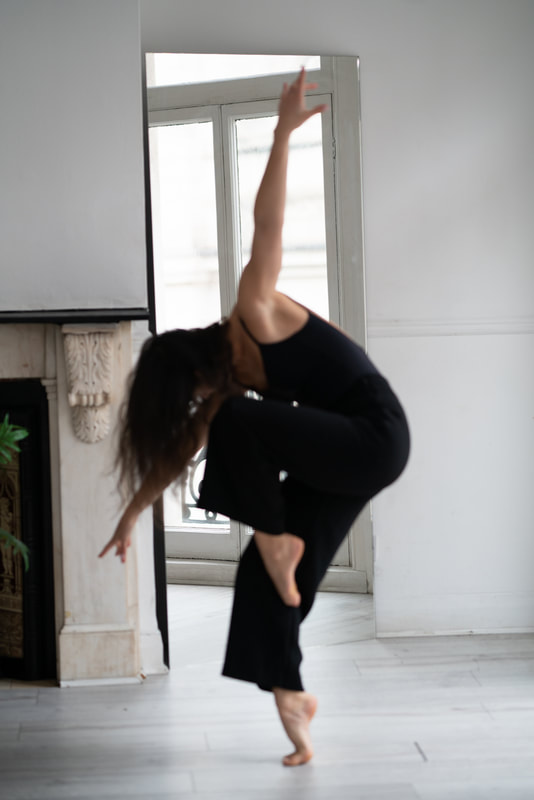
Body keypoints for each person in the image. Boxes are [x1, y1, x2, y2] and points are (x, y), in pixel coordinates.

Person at [99, 68, 410, 767]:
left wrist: (280, 133)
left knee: (241, 439)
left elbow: (266, 222)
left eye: (194, 395)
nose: (199, 406)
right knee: (260, 578)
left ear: (199, 367)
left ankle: (278, 541)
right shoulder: (223, 396)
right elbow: (178, 456)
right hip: (340, 458)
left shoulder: (255, 312)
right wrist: (129, 517)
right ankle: (293, 701)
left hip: (376, 436)